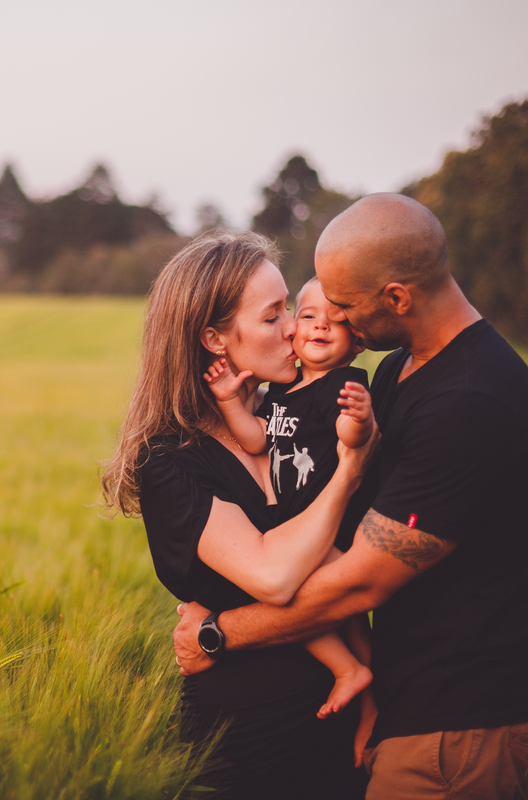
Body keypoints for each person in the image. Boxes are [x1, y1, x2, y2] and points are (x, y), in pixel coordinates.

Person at [173, 194, 528, 800]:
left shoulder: (469, 402)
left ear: (397, 297)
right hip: (418, 712)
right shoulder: (400, 370)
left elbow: (362, 581)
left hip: (463, 729)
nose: (330, 324)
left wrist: (218, 634)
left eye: (347, 307)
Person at [100, 231, 376, 798]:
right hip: (251, 737)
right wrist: (350, 472)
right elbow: (274, 576)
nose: (294, 329)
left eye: (289, 310)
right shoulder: (170, 460)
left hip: (346, 719)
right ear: (214, 339)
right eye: (273, 316)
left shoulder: (288, 418)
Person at [203, 276, 376, 722]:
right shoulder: (283, 389)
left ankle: (356, 674)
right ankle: (356, 673)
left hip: (325, 519)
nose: (320, 326)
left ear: (357, 341)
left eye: (335, 321)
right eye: (308, 315)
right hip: (292, 524)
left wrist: (360, 420)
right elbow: (258, 439)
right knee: (325, 606)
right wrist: (229, 401)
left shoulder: (343, 384)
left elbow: (349, 436)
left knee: (327, 603)